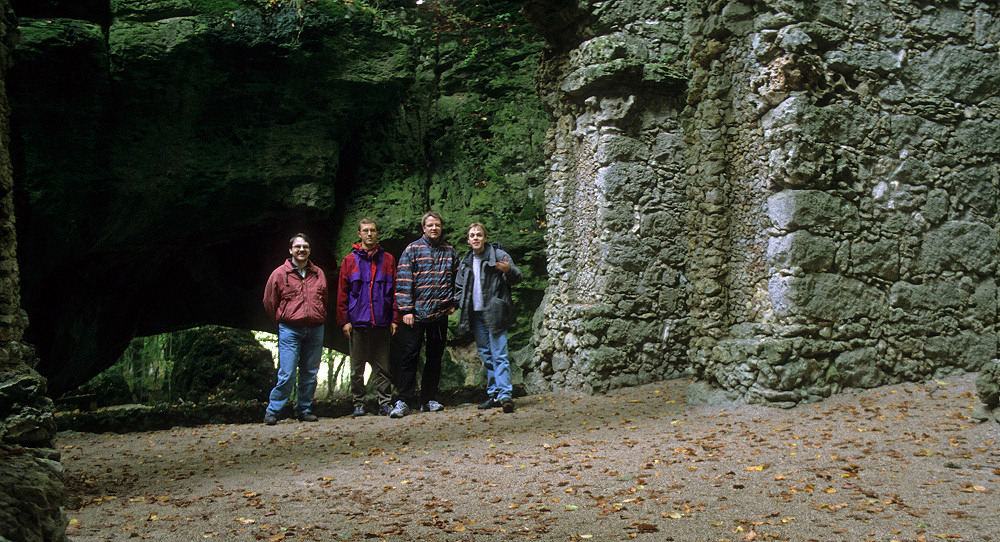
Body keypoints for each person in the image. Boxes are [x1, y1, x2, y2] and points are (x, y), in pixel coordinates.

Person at [391, 211, 459, 418]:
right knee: (410, 357)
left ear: (441, 227)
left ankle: (428, 399)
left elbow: (459, 280)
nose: (434, 228)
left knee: (435, 358)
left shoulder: (449, 251)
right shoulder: (412, 250)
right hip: (416, 316)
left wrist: (453, 303)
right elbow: (403, 281)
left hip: (439, 315)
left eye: (437, 225)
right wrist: (406, 310)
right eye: (430, 225)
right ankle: (403, 400)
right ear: (424, 228)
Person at [262, 233, 329, 425]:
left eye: (305, 246)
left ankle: (304, 409)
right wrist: (282, 320)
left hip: (315, 328)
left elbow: (324, 299)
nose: (302, 250)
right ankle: (273, 411)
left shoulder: (318, 273)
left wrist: (319, 315)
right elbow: (269, 301)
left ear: (309, 250)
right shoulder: (279, 274)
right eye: (298, 247)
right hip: (290, 329)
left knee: (310, 372)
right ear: (290, 250)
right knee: (287, 372)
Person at [336, 218, 400, 417]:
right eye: (365, 231)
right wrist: (344, 321)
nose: (369, 234)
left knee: (383, 366)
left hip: (381, 320)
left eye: (372, 230)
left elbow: (395, 291)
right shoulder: (349, 261)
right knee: (357, 367)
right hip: (357, 321)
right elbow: (342, 293)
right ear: (359, 234)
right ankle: (358, 403)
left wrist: (394, 318)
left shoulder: (388, 259)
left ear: (377, 233)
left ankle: (384, 403)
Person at [456, 223, 522, 413]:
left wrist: (508, 270)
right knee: (486, 355)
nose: (475, 238)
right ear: (468, 240)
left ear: (485, 238)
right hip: (475, 314)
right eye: (472, 235)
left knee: (499, 353)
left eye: (479, 235)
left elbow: (518, 277)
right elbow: (459, 287)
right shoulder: (466, 262)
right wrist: (462, 302)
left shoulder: (499, 255)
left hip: (495, 311)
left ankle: (505, 395)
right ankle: (494, 394)